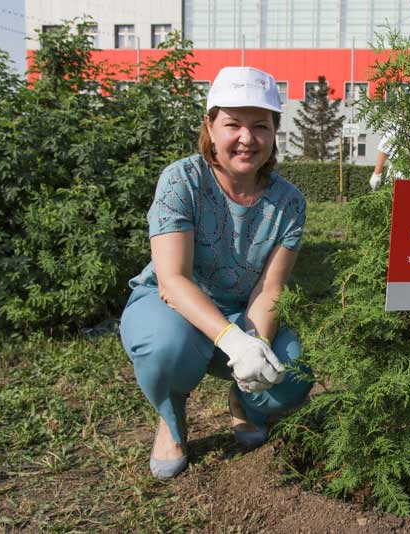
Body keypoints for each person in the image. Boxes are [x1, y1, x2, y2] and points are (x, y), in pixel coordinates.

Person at [120, 66, 313, 480]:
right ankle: (171, 418)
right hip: (171, 308)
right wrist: (231, 341)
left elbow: (270, 287)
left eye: (260, 125)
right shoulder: (182, 181)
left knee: (291, 379)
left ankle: (242, 401)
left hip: (243, 310)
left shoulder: (289, 202)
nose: (247, 138)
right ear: (210, 125)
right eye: (233, 124)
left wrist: (254, 348)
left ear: (275, 131)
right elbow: (173, 281)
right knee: (164, 348)